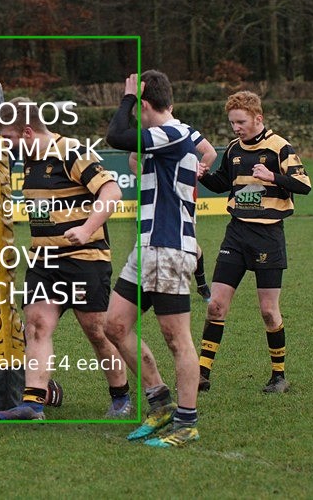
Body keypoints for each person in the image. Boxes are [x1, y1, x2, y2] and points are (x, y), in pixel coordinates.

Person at [0, 97, 131, 420]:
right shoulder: (27, 159)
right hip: (44, 261)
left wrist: (86, 228)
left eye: (7, 137)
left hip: (84, 259)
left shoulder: (73, 152)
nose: (4, 145)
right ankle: (34, 403)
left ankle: (121, 395)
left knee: (97, 331)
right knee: (36, 326)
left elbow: (112, 192)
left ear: (26, 132)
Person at [104, 71, 203, 447]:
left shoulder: (173, 133)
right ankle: (159, 402)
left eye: (137, 108)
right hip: (146, 248)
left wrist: (126, 98)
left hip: (169, 247)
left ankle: (187, 421)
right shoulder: (167, 141)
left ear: (145, 105)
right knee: (114, 325)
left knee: (176, 338)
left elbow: (116, 134)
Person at [197, 91, 311, 393]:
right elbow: (224, 183)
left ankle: (278, 376)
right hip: (236, 233)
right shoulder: (233, 149)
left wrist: (273, 177)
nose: (236, 128)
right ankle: (202, 374)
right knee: (216, 306)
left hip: (268, 236)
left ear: (257, 118)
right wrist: (204, 176)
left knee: (268, 311)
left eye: (241, 122)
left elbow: (304, 185)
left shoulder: (280, 147)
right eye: (232, 122)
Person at [127, 137, 217, 302]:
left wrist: (195, 174)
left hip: (182, 198)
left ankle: (202, 284)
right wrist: (147, 179)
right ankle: (145, 285)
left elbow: (210, 152)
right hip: (153, 198)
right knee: (146, 238)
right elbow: (133, 159)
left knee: (189, 243)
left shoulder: (185, 132)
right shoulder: (148, 134)